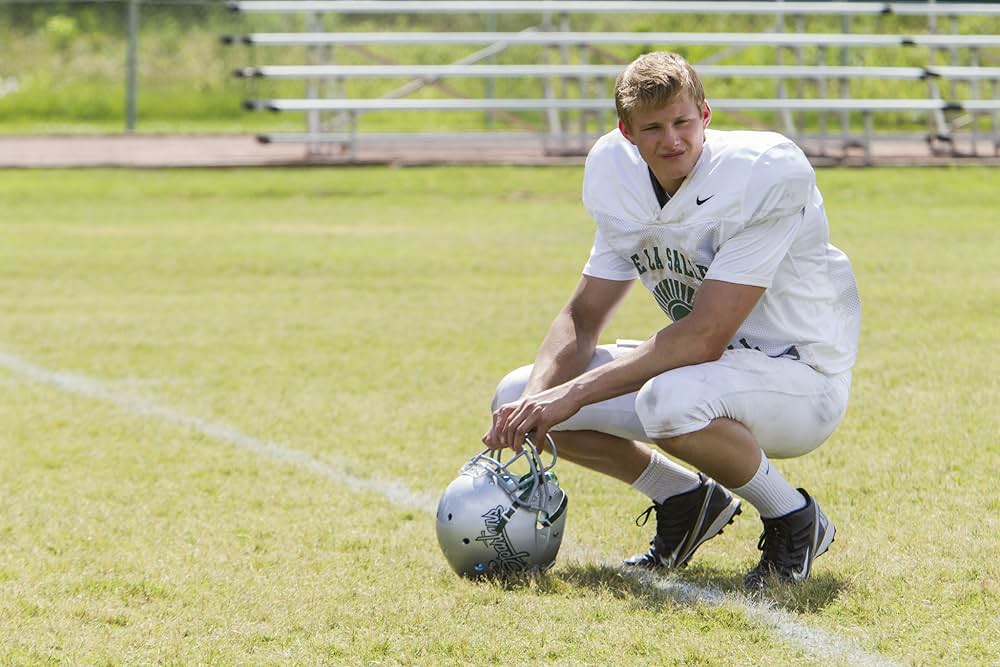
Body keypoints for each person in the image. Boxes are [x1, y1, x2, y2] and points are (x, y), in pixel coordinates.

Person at [482, 51, 861, 588]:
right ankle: (684, 500)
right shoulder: (617, 175)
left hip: (800, 376)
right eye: (653, 128)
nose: (672, 140)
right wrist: (538, 400)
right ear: (627, 133)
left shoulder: (763, 174)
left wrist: (572, 395)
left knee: (668, 402)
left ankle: (794, 516)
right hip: (707, 370)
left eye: (683, 121)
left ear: (705, 114)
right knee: (514, 392)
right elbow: (583, 314)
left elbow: (705, 335)